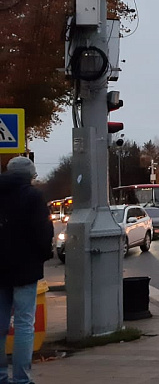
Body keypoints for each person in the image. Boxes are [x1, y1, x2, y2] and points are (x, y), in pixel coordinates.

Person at [0, 157, 54, 384]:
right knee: (24, 324)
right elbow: (43, 232)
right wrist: (43, 255)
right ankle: (21, 379)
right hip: (25, 268)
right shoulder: (33, 196)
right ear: (30, 175)